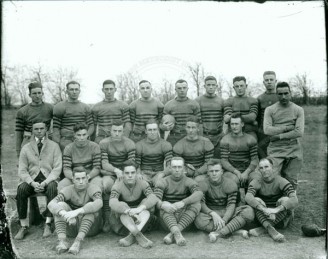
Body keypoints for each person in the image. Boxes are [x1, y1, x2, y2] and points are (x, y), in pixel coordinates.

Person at [14, 121, 62, 240]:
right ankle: (24, 226)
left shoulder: (54, 146)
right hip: (32, 179)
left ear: (46, 129)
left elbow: (57, 168)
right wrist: (31, 182)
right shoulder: (26, 148)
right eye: (36, 129)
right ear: (32, 131)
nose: (39, 131)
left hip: (48, 179)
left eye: (42, 128)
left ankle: (48, 223)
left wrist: (45, 182)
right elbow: (22, 170)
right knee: (21, 189)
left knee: (52, 187)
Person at [194, 159, 254, 242]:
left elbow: (231, 206)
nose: (214, 173)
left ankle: (219, 233)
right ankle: (233, 230)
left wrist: (224, 220)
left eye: (217, 171)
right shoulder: (202, 184)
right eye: (211, 171)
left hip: (228, 212)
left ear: (222, 171)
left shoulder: (230, 183)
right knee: (198, 219)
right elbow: (201, 203)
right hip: (212, 213)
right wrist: (213, 214)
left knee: (249, 211)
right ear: (207, 172)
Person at [48, 167, 103, 255]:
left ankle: (77, 242)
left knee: (90, 208)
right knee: (60, 205)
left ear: (87, 178)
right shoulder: (68, 189)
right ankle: (62, 241)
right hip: (72, 225)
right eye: (78, 179)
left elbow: (99, 202)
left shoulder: (93, 188)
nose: (81, 181)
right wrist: (65, 214)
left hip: (90, 228)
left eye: (83, 178)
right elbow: (51, 203)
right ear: (73, 179)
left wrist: (76, 212)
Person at [245, 158, 298, 242]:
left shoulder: (281, 181)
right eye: (261, 168)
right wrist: (264, 209)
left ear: (272, 168)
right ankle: (270, 229)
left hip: (281, 218)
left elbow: (294, 199)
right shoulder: (257, 181)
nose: (264, 170)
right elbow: (248, 197)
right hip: (263, 215)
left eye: (266, 167)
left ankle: (263, 228)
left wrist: (276, 210)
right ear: (259, 170)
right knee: (256, 200)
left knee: (285, 200)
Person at [264, 81, 304, 191]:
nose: (283, 97)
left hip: (293, 148)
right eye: (280, 94)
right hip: (275, 149)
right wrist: (287, 128)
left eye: (286, 93)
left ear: (290, 93)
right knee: (272, 177)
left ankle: (290, 206)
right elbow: (267, 130)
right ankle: (274, 204)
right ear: (276, 94)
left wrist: (279, 136)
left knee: (291, 179)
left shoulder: (298, 109)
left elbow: (299, 132)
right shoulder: (270, 109)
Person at [154, 157, 203, 246]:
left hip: (184, 221)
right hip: (167, 220)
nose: (177, 170)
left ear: (183, 168)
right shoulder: (163, 181)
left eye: (179, 167)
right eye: (174, 167)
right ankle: (176, 233)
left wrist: (183, 202)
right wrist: (162, 205)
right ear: (170, 168)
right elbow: (155, 199)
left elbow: (199, 193)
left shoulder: (188, 181)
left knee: (197, 204)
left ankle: (173, 234)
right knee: (164, 204)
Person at [109, 160, 158, 248]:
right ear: (123, 174)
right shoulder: (117, 185)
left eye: (133, 172)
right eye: (127, 173)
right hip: (123, 224)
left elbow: (153, 197)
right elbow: (112, 202)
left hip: (140, 220)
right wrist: (128, 211)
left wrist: (140, 209)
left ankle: (132, 235)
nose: (130, 175)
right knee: (121, 204)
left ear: (137, 173)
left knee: (146, 204)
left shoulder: (142, 182)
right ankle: (138, 234)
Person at [99, 119, 136, 232]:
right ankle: (107, 219)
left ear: (123, 131)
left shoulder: (129, 143)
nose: (116, 133)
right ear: (110, 131)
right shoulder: (104, 143)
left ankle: (126, 217)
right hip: (111, 173)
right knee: (106, 186)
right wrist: (115, 170)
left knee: (128, 186)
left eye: (119, 131)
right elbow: (104, 163)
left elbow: (131, 163)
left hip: (126, 172)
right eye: (114, 131)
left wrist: (123, 173)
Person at [220, 113, 259, 205]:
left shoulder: (250, 139)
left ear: (242, 124)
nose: (234, 126)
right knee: (234, 180)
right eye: (232, 124)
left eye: (236, 124)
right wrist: (236, 172)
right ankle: (235, 205)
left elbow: (255, 159)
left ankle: (253, 204)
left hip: (247, 170)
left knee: (257, 178)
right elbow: (223, 160)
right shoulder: (225, 139)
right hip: (231, 171)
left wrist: (246, 172)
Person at [58, 122, 102, 190]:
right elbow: (66, 168)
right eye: (79, 135)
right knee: (62, 186)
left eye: (84, 135)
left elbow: (97, 167)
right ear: (74, 135)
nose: (82, 138)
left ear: (87, 134)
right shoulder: (68, 148)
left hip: (90, 176)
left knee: (97, 186)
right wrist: (73, 178)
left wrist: (88, 177)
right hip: (75, 176)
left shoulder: (95, 146)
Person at [53, 81, 94, 151]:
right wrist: (57, 143)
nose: (74, 92)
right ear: (67, 91)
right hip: (66, 139)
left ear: (79, 91)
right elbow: (56, 128)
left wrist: (86, 136)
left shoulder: (85, 107)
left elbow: (91, 125)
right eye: (71, 89)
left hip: (82, 138)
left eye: (76, 89)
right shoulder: (59, 107)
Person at [15, 82, 53, 157]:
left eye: (39, 93)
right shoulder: (22, 111)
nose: (37, 96)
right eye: (34, 93)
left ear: (43, 93)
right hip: (29, 142)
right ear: (30, 95)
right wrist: (18, 151)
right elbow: (19, 133)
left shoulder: (51, 108)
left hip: (46, 142)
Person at [162, 79, 203, 146]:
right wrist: (165, 127)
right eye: (179, 88)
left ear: (187, 89)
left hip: (190, 136)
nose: (182, 90)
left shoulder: (194, 104)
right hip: (174, 137)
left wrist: (200, 139)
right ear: (175, 90)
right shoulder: (168, 105)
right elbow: (162, 124)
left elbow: (199, 123)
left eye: (184, 88)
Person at [135, 119, 172, 187]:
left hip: (159, 173)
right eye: (150, 130)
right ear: (146, 131)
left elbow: (169, 165)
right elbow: (137, 165)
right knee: (142, 184)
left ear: (158, 130)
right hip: (144, 174)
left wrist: (163, 174)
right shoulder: (139, 145)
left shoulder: (165, 144)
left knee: (160, 184)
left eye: (154, 129)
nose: (152, 132)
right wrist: (138, 174)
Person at [195, 76, 224, 158]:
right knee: (205, 161)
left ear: (216, 86)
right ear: (204, 86)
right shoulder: (198, 101)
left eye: (213, 85)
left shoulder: (221, 101)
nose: (211, 87)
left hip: (218, 137)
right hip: (204, 136)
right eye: (208, 85)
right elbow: (196, 121)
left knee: (217, 161)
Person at [257, 71, 279, 159]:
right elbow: (258, 118)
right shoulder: (260, 98)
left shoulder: (281, 96)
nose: (269, 82)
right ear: (263, 82)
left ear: (275, 81)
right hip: (263, 133)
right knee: (263, 157)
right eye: (266, 80)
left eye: (271, 79)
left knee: (278, 157)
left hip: (278, 132)